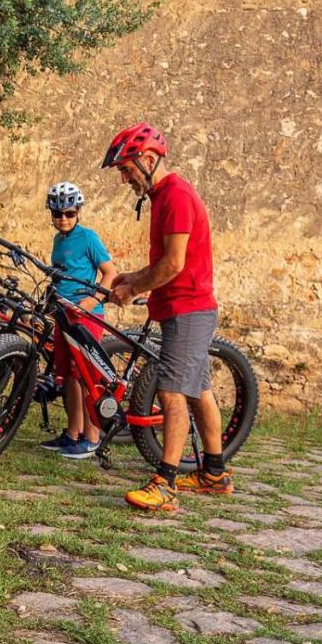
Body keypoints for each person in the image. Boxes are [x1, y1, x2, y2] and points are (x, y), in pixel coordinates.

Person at [101, 123, 229, 511]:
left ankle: (166, 483)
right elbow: (165, 262)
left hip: (188, 309)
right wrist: (133, 277)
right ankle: (215, 474)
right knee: (198, 390)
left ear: (149, 159)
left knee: (172, 392)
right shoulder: (164, 196)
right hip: (186, 307)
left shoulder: (175, 196)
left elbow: (173, 264)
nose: (125, 179)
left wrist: (133, 289)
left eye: (127, 169)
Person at [37, 182, 118, 459]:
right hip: (63, 314)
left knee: (86, 376)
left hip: (86, 316)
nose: (63, 219)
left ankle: (92, 438)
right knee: (69, 376)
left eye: (69, 213)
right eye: (58, 214)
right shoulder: (58, 241)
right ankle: (73, 434)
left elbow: (109, 273)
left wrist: (92, 301)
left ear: (78, 212)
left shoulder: (88, 238)